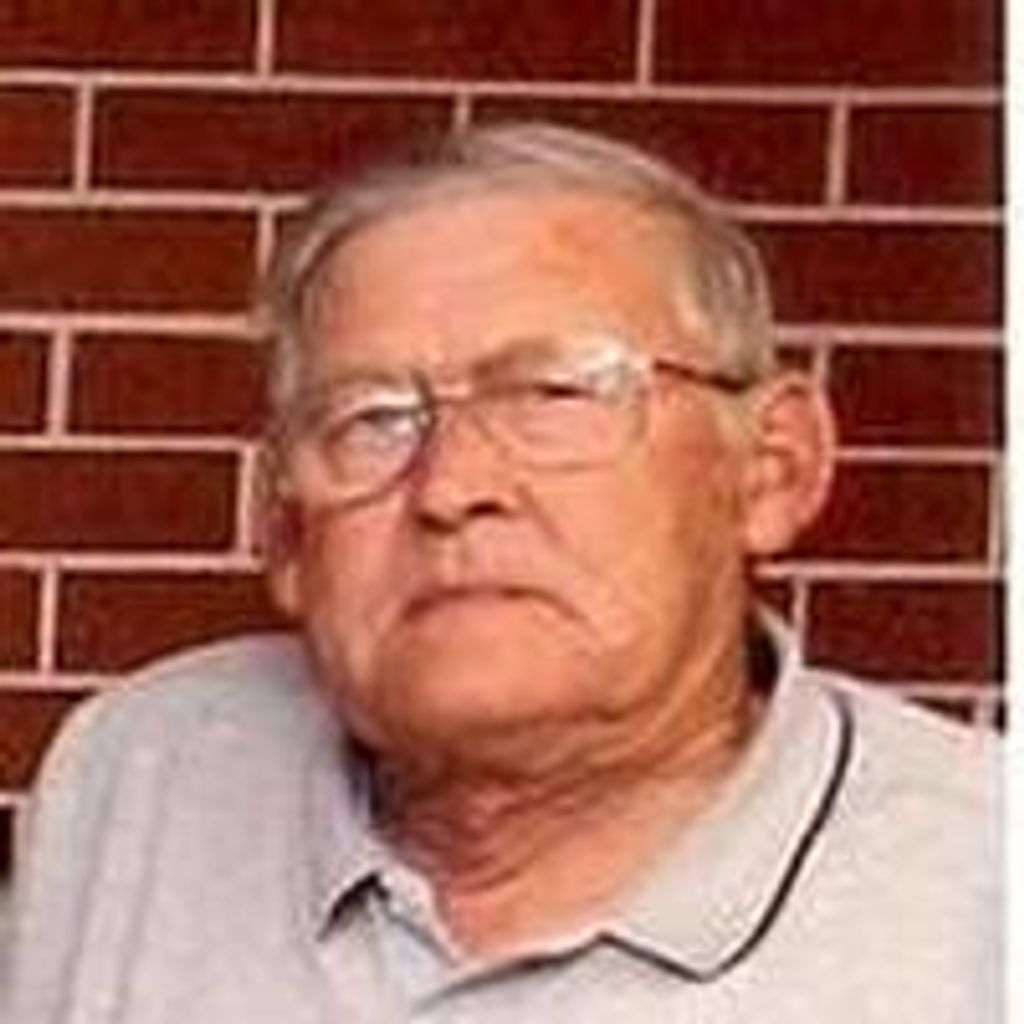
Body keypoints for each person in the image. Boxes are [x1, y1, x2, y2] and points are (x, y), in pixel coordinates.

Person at [6, 122, 999, 1023]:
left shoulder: (983, 894)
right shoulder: (146, 777)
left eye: (554, 393)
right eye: (373, 418)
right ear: (285, 536)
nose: (451, 488)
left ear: (771, 471)